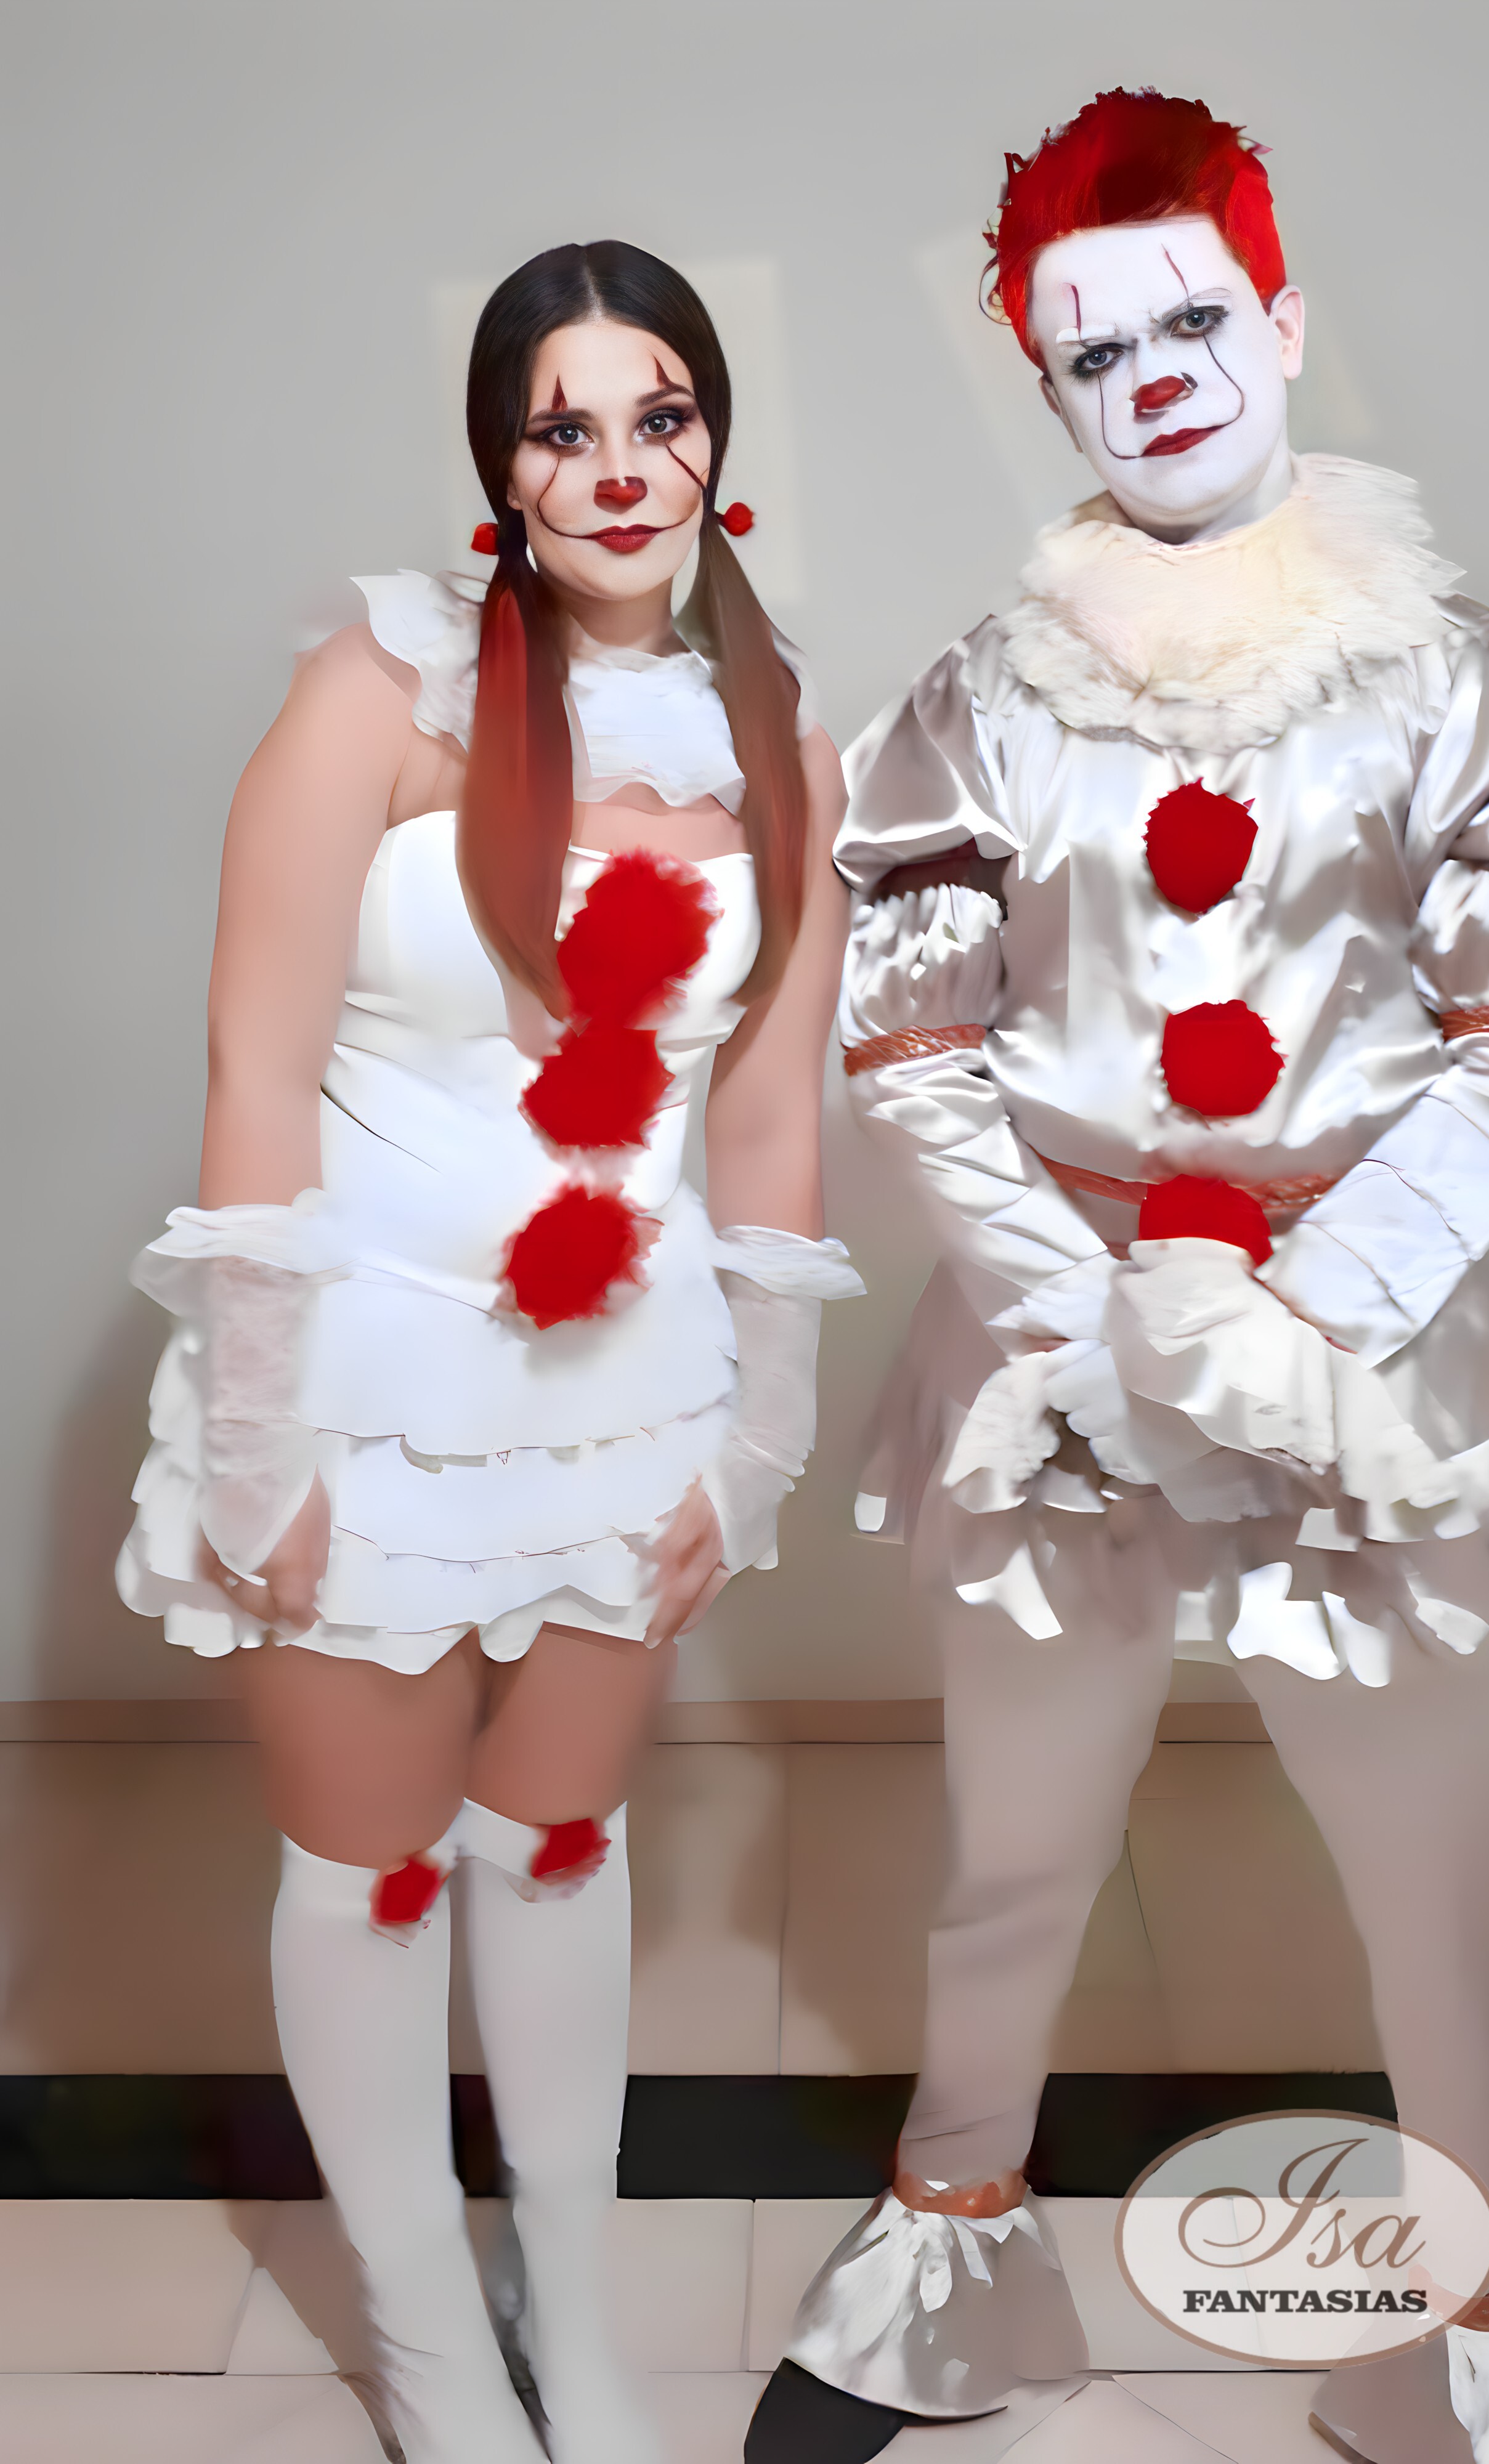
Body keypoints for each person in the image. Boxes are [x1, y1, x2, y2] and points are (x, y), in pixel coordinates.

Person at [748, 91, 1489, 2464]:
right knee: (1015, 1856)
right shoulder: (977, 699)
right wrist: (1092, 1335)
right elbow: (916, 1049)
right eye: (1095, 351)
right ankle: (949, 2265)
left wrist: (1300, 1322)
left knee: (1437, 1900)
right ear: (1051, 392)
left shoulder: (1475, 680)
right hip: (1051, 1360)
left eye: (1192, 322)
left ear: (1282, 322)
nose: (1154, 376)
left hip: (1378, 1364)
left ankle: (1487, 2345)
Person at [118, 240, 858, 2464]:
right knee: (375, 1875)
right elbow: (254, 1068)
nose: (619, 465)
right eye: (564, 425)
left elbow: (767, 1114)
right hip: (362, 1381)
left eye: (661, 415)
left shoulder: (784, 737)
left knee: (553, 1850)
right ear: (501, 469)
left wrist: (763, 1435)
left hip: (627, 1389)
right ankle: (426, 2330)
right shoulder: (379, 689)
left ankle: (573, 2300)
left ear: (714, 443)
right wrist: (257, 1433)